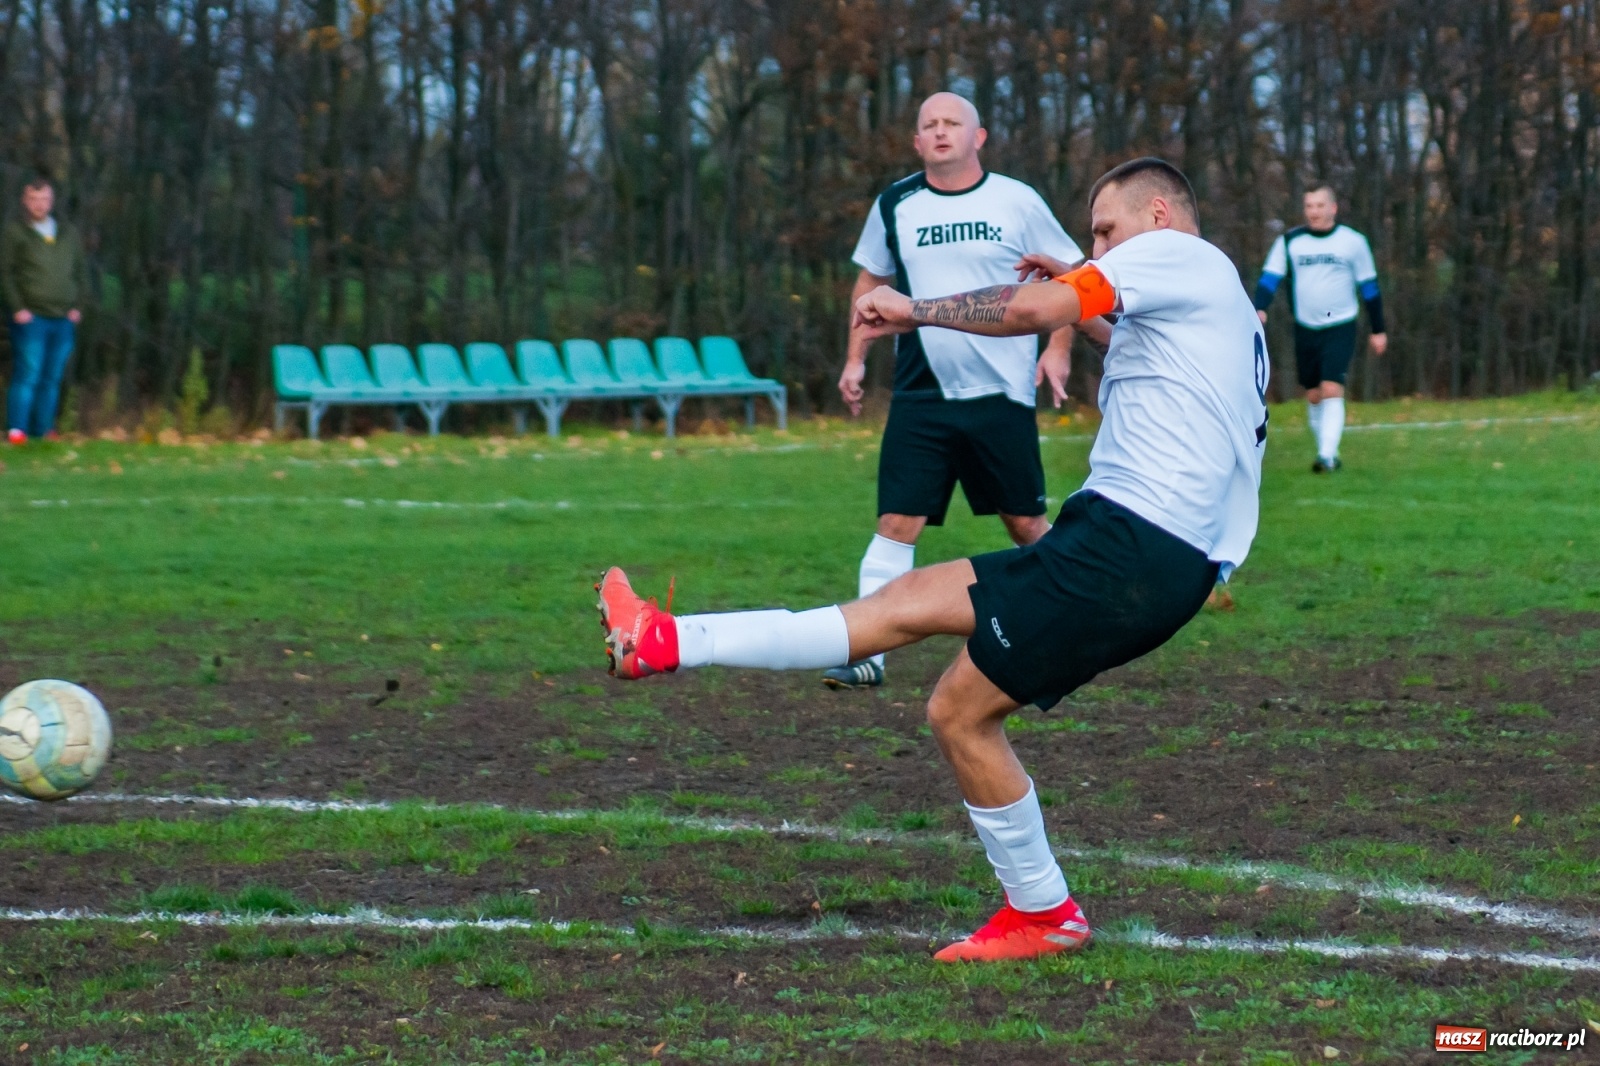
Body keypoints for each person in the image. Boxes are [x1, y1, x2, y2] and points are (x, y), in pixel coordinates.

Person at [596, 157, 1268, 962]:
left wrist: (916, 309)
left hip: (1132, 550)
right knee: (905, 600)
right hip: (1132, 544)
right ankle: (665, 642)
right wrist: (1077, 281)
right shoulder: (1208, 286)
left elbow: (1034, 310)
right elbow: (1106, 322)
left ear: (1158, 214)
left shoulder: (1174, 253)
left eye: (1104, 232)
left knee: (959, 711)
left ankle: (1045, 914)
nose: (1097, 248)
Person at [828, 91, 1103, 691]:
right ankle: (867, 653)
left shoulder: (1017, 200)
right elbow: (872, 279)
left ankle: (1085, 624)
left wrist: (1057, 350)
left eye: (954, 122)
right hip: (921, 390)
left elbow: (1073, 280)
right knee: (897, 520)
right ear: (918, 142)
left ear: (979, 137)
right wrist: (855, 357)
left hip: (1000, 391)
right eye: (929, 124)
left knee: (1026, 524)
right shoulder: (895, 202)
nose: (941, 131)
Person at [1253, 183, 1386, 472]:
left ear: (1333, 208)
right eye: (1309, 206)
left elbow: (1370, 288)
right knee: (1313, 394)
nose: (1314, 212)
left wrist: (1379, 329)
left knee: (1331, 387)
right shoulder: (1290, 242)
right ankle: (1324, 448)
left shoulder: (1352, 242)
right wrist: (1259, 307)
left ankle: (1327, 456)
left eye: (1320, 206)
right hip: (1305, 327)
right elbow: (1270, 278)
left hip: (1340, 324)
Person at [2, 178, 87, 445]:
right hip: (31, 318)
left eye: (44, 199)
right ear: (25, 202)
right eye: (33, 199)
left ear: (51, 201)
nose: (39, 204)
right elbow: (5, 273)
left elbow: (82, 272)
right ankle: (17, 430)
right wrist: (17, 308)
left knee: (52, 377)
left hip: (63, 319)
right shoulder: (15, 233)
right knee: (29, 373)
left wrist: (78, 307)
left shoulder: (68, 233)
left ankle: (44, 429)